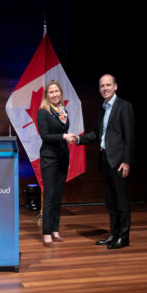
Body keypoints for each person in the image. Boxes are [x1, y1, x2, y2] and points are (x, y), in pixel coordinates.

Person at [76, 74, 135, 249]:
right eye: (102, 86)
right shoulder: (102, 108)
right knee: (111, 202)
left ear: (115, 86)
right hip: (105, 161)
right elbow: (96, 134)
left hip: (119, 162)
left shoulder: (124, 107)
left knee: (122, 203)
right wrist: (77, 140)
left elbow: (129, 137)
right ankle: (114, 234)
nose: (105, 88)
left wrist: (127, 161)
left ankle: (123, 238)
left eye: (108, 85)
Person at [37, 79, 76, 247]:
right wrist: (64, 136)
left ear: (61, 93)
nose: (54, 94)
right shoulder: (43, 112)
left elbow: (63, 132)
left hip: (62, 158)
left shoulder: (63, 110)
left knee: (58, 195)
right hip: (49, 158)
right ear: (47, 95)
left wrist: (68, 140)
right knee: (50, 196)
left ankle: (55, 230)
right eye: (51, 92)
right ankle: (46, 233)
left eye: (56, 91)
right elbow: (45, 136)